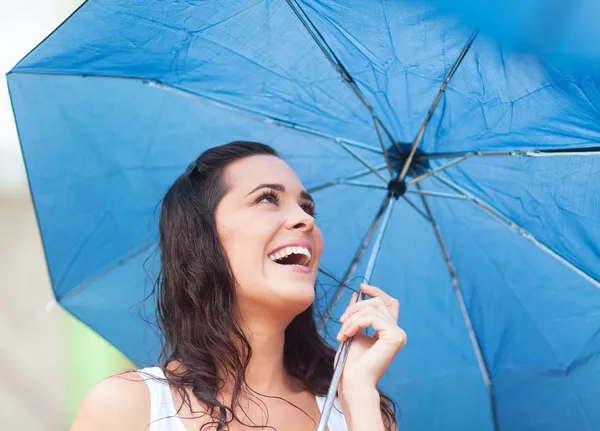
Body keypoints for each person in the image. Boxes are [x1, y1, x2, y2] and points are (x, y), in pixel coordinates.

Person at [70, 141, 407, 431]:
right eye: (266, 199)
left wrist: (360, 393)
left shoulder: (356, 412)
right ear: (203, 239)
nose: (306, 219)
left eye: (307, 207)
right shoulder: (130, 408)